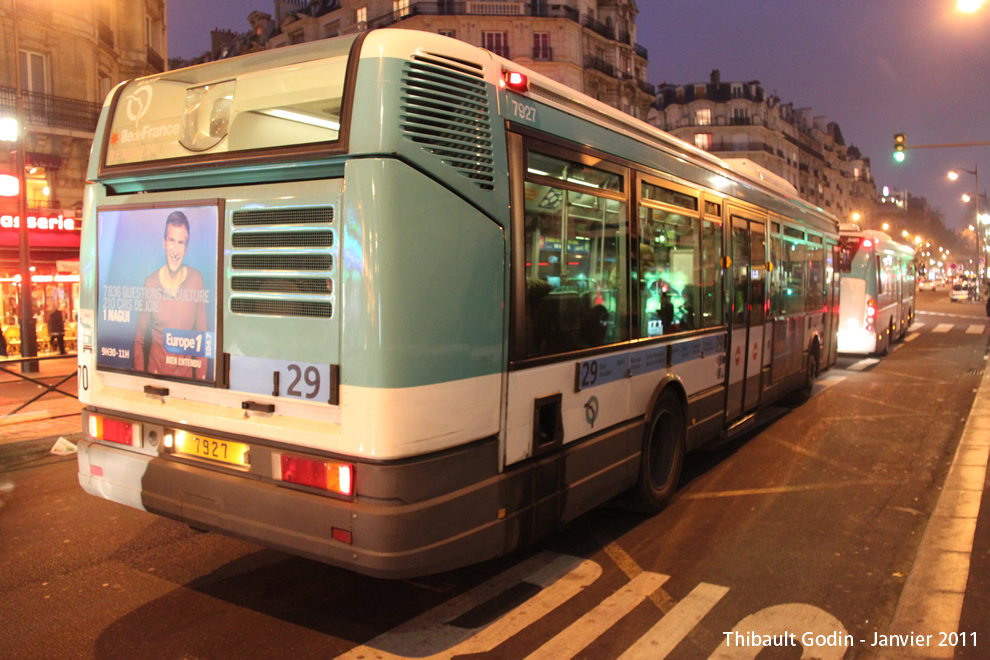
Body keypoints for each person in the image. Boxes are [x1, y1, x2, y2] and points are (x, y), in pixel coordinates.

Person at [133, 211, 209, 380]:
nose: (175, 250)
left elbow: (203, 342)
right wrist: (141, 384)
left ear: (186, 247)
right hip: (157, 384)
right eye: (171, 241)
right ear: (164, 243)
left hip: (188, 386)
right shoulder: (150, 283)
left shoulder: (196, 280)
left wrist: (200, 385)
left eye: (180, 243)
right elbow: (138, 342)